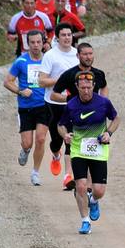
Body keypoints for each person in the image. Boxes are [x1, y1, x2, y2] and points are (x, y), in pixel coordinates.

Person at [57, 73, 119, 235]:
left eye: (88, 87)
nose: (86, 91)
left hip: (98, 150)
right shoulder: (71, 105)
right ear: (77, 87)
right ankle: (85, 221)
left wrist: (109, 133)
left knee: (99, 191)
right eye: (82, 88)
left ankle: (93, 200)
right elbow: (61, 125)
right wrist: (65, 135)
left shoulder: (103, 103)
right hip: (78, 150)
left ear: (93, 86)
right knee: (81, 186)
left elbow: (116, 118)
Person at [37, 23, 79, 190]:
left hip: (73, 104)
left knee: (71, 139)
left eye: (69, 35)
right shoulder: (50, 55)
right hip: (54, 103)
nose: (67, 38)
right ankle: (55, 155)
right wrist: (63, 79)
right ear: (57, 37)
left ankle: (68, 176)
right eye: (64, 35)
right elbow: (41, 81)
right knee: (56, 139)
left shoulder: (77, 54)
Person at [5, 29, 48, 186]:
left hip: (43, 106)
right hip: (25, 107)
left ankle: (35, 173)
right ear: (27, 44)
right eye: (32, 43)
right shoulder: (21, 62)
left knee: (41, 139)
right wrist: (20, 91)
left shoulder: (48, 60)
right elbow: (7, 81)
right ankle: (25, 150)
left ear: (43, 42)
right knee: (27, 143)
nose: (36, 45)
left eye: (38, 42)